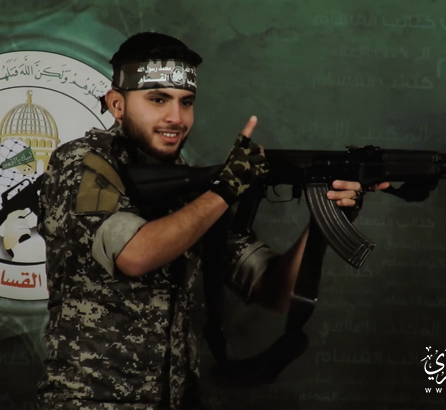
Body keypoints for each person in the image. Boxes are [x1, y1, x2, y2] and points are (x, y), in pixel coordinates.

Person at [36, 32, 388, 410]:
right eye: (158, 100)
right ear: (117, 105)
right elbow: (134, 255)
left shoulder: (195, 188)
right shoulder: (82, 162)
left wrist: (326, 215)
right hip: (92, 401)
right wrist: (226, 189)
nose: (176, 117)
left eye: (186, 102)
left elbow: (275, 291)